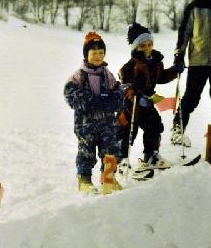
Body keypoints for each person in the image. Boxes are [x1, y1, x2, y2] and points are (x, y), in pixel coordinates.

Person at [118, 22, 183, 178]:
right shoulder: (130, 66)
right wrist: (133, 88)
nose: (147, 48)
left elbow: (161, 77)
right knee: (127, 130)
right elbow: (123, 85)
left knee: (154, 126)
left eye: (149, 44)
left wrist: (175, 71)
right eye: (142, 46)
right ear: (135, 48)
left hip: (147, 103)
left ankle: (151, 155)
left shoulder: (155, 62)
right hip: (131, 105)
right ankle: (122, 159)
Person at [64, 31, 124, 195]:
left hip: (106, 123)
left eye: (100, 53)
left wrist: (113, 101)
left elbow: (118, 92)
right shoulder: (79, 75)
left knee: (110, 150)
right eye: (93, 53)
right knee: (86, 152)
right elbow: (69, 94)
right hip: (86, 124)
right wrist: (88, 100)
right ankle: (84, 180)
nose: (97, 56)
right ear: (86, 54)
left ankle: (108, 178)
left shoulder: (107, 75)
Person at [171, 0, 211, 146]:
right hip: (198, 61)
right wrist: (179, 54)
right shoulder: (194, 6)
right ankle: (178, 128)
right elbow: (184, 32)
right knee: (191, 97)